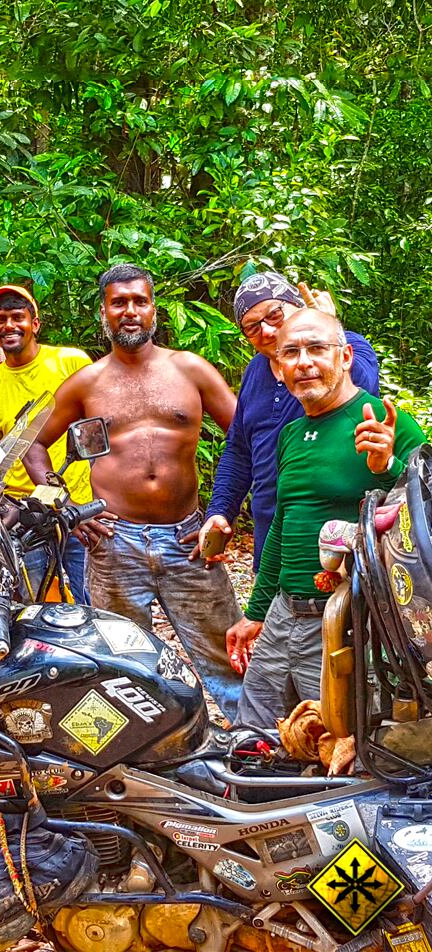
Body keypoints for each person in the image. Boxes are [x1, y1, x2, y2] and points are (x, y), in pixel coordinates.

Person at [23, 264, 243, 722]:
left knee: (226, 654)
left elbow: (246, 440)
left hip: (188, 539)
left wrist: (223, 512)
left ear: (153, 309)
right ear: (103, 311)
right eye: (118, 302)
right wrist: (70, 509)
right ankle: (150, 755)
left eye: (139, 301)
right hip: (113, 542)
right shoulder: (88, 383)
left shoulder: (190, 369)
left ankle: (257, 746)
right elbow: (34, 446)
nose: (130, 311)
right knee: (123, 664)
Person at [227, 309, 426, 728]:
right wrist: (257, 612)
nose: (304, 362)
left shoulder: (384, 421)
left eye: (317, 348)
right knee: (253, 736)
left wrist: (388, 465)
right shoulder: (292, 435)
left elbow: (426, 517)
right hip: (284, 615)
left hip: (351, 621)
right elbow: (283, 524)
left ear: (346, 357)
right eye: (291, 353)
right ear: (278, 369)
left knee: (344, 745)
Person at [197, 271, 379, 570]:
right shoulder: (255, 372)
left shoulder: (350, 350)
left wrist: (328, 332)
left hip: (336, 539)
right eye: (252, 327)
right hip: (272, 538)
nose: (267, 330)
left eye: (274, 314)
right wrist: (220, 511)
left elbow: (360, 395)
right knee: (270, 613)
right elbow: (240, 450)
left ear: (298, 306)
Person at [0, 285, 93, 603]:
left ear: (35, 323)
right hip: (25, 516)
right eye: (0, 319)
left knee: (88, 600)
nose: (9, 326)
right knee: (37, 604)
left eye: (18, 317)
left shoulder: (70, 362)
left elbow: (100, 426)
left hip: (76, 509)